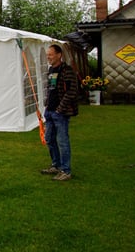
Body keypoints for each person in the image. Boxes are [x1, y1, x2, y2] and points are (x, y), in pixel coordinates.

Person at [42, 44, 79, 181]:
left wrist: (60, 109)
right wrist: (47, 105)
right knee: (49, 139)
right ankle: (56, 165)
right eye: (47, 55)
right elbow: (50, 89)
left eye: (50, 54)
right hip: (50, 111)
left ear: (59, 55)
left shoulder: (67, 70)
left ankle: (66, 171)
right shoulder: (51, 70)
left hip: (61, 113)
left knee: (62, 142)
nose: (48, 57)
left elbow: (72, 91)